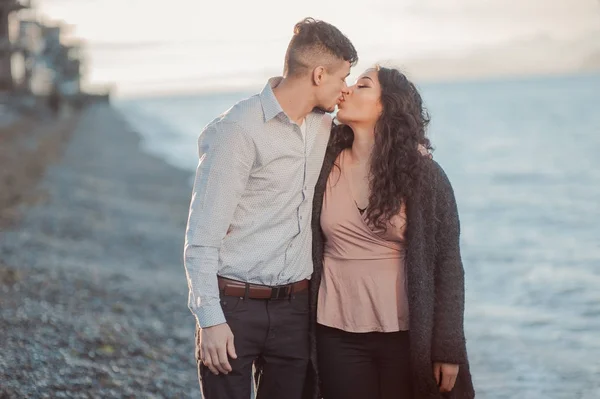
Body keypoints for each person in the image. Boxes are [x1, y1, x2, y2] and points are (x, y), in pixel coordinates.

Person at [183, 17, 358, 399]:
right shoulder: (238, 130)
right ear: (317, 75)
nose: (345, 90)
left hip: (295, 309)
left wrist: (414, 150)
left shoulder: (323, 127)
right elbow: (201, 238)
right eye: (342, 78)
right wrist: (210, 320)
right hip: (234, 308)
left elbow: (374, 141)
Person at [309, 66, 475, 399]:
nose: (347, 90)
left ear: (387, 105)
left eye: (362, 86)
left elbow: (447, 264)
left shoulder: (423, 174)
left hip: (405, 334)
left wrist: (448, 348)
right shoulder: (321, 160)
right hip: (335, 331)